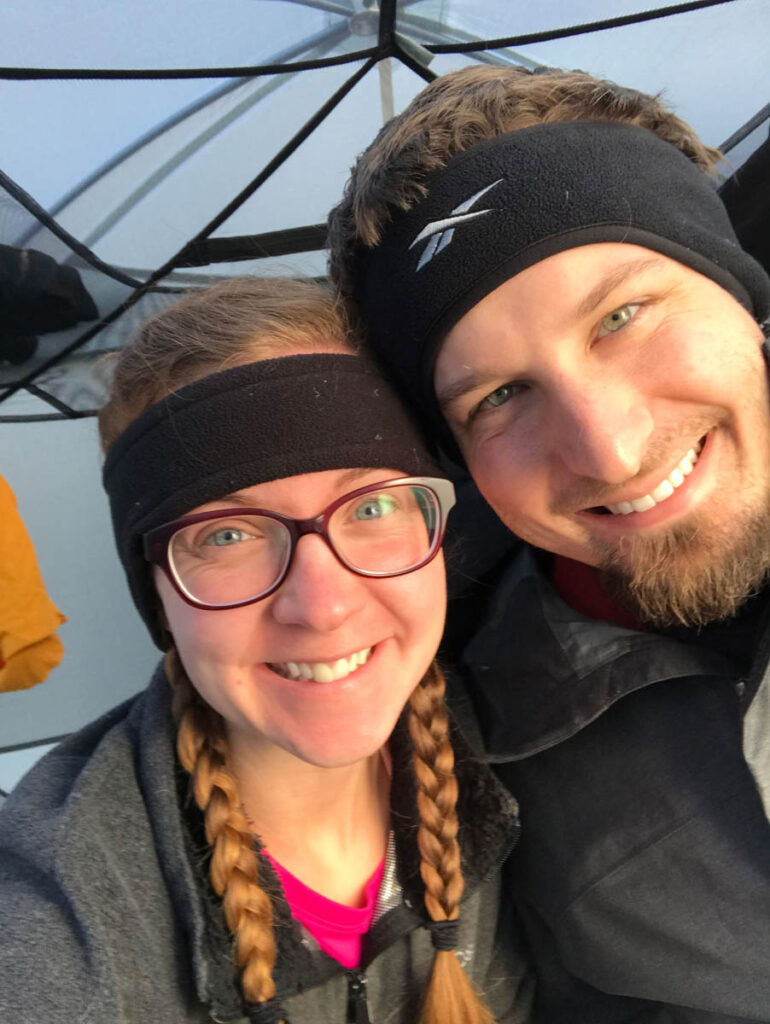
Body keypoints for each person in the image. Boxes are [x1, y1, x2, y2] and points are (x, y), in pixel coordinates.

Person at [328, 67, 770, 1022]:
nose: (606, 449)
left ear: (739, 289)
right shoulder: (474, 770)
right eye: (499, 397)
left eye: (622, 315)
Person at [0, 277, 533, 1024]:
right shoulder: (59, 926)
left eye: (373, 506)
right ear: (159, 595)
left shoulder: (526, 742)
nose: (323, 605)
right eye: (227, 535)